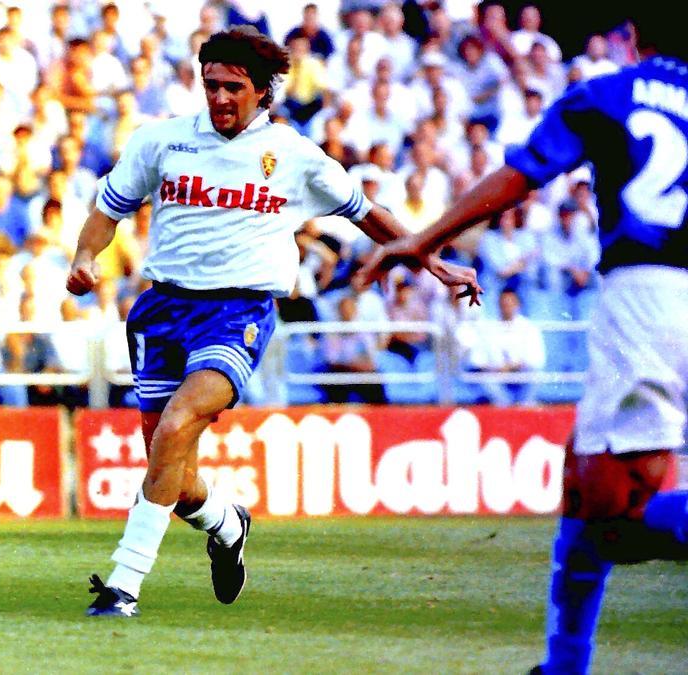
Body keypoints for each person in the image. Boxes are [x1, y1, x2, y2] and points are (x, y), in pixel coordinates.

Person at [66, 27, 481, 618]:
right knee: (173, 472)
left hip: (237, 312)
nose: (219, 98)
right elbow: (108, 209)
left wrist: (435, 262)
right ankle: (227, 523)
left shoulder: (294, 155)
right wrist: (85, 256)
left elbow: (369, 215)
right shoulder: (161, 141)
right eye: (209, 85)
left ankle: (123, 584)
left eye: (232, 87)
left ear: (263, 93)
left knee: (179, 421)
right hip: (160, 309)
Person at [355, 9, 688, 672]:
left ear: (633, 36)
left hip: (649, 295)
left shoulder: (608, 92)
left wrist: (425, 237)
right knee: (578, 477)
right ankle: (564, 665)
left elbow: (524, 171)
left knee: (612, 515)